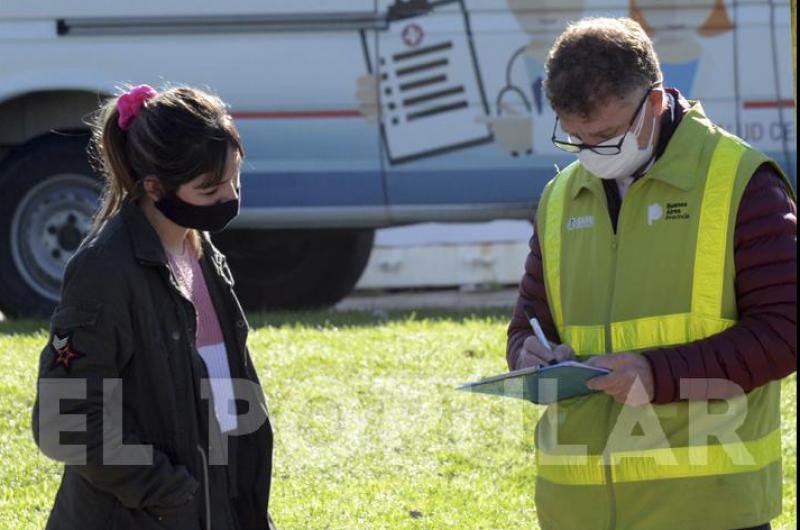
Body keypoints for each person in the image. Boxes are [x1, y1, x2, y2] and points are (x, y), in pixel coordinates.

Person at [506, 18, 796, 530]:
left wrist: (658, 375)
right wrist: (529, 355)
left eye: (606, 136)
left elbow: (786, 330)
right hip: (577, 512)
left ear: (656, 104)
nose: (592, 153)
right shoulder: (559, 198)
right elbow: (529, 321)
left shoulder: (742, 182)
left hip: (707, 509)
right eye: (576, 139)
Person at [31, 85, 277, 530]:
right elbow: (65, 423)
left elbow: (225, 402)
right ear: (154, 187)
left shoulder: (203, 253)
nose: (230, 197)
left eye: (235, 178)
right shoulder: (103, 270)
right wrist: (171, 494)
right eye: (209, 188)